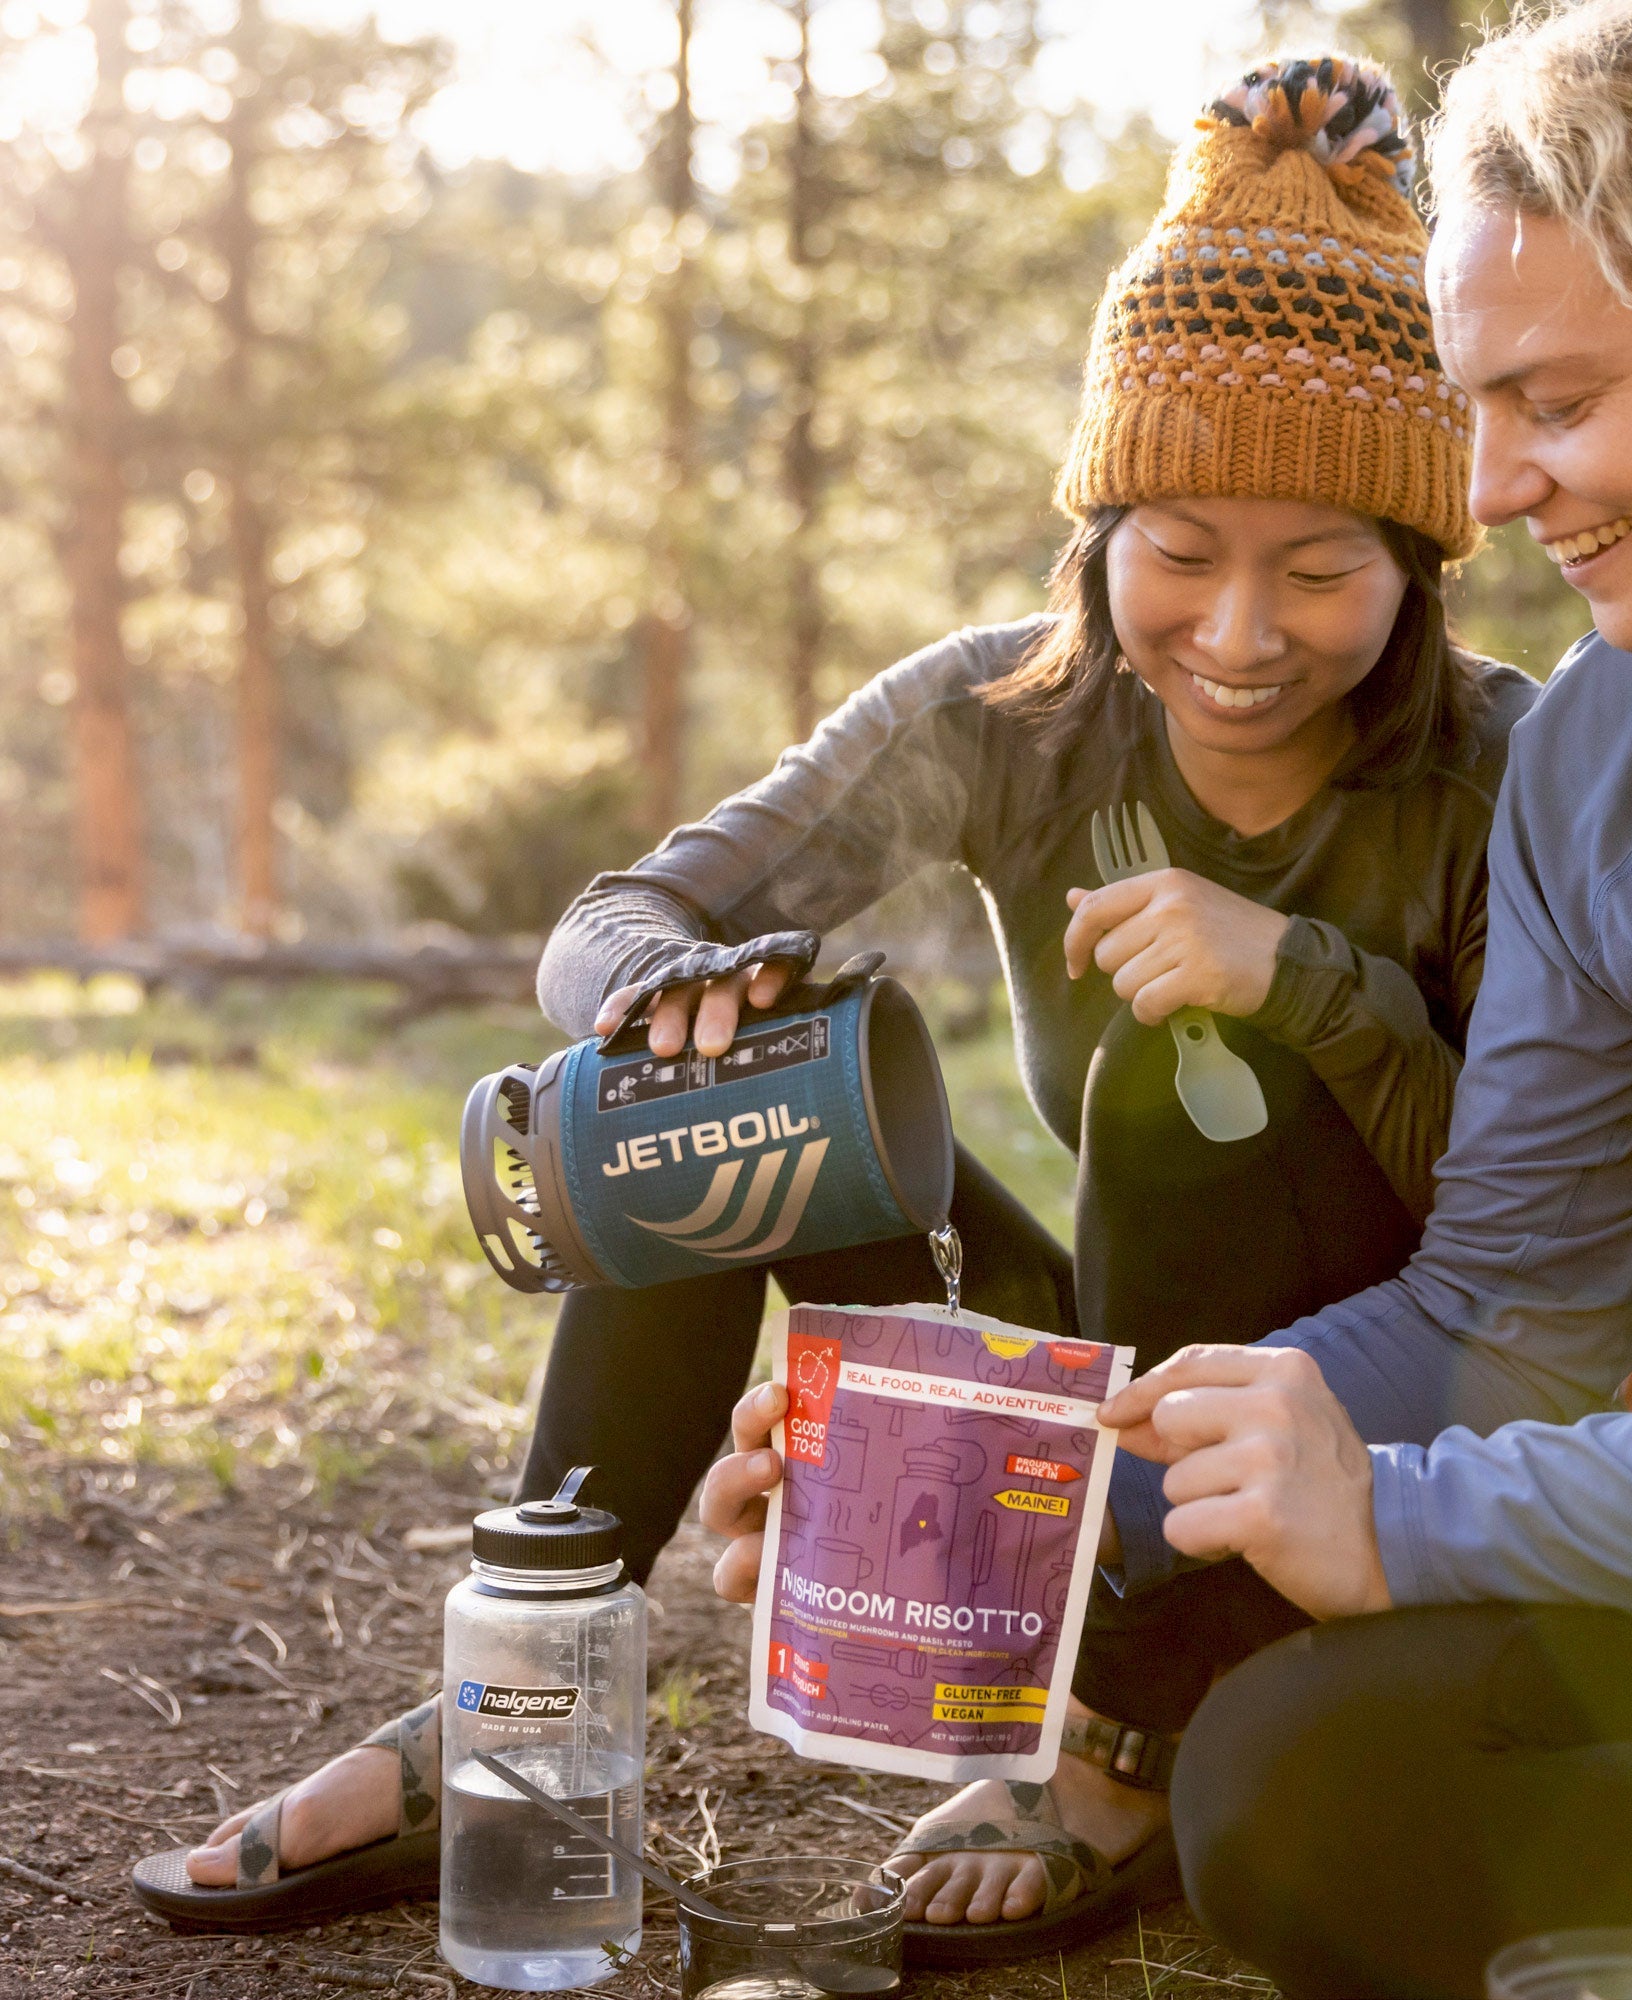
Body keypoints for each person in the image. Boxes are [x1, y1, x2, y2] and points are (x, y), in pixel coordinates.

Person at [135, 55, 1539, 1951]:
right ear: (1100, 529)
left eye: (1319, 571)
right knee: (711, 1096)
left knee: (1198, 1078)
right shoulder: (1008, 713)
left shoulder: (1506, 773)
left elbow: (1533, 1227)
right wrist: (681, 999)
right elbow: (616, 916)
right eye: (1180, 554)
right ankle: (519, 1699)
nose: (1235, 636)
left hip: (1372, 1409)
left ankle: (1122, 1739)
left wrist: (1311, 980)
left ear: (1420, 568)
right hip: (1095, 1371)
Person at [706, 0, 1632, 1991]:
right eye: (1473, 407)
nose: (1483, 492)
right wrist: (1016, 1503)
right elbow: (1509, 1303)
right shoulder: (1611, 751)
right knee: (1294, 1791)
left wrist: (1422, 1520)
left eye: (1551, 399)